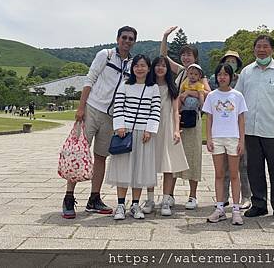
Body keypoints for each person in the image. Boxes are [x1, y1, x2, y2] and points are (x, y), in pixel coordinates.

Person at [61, 25, 136, 219]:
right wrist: (81, 107)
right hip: (93, 109)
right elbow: (90, 78)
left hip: (111, 116)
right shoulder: (106, 55)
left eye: (130, 39)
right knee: (79, 152)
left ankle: (94, 198)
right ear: (117, 38)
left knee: (101, 156)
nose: (127, 41)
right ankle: (69, 197)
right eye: (124, 37)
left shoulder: (132, 64)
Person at [235, 34, 274, 222]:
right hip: (250, 130)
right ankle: (259, 204)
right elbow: (236, 99)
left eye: (265, 46)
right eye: (258, 47)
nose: (261, 50)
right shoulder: (247, 72)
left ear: (272, 50)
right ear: (254, 50)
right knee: (254, 169)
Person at [161, 26, 210, 210]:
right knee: (174, 156)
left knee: (193, 156)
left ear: (195, 57)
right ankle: (170, 195)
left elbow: (208, 93)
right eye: (184, 55)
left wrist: (190, 92)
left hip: (193, 120)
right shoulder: (182, 71)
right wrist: (165, 37)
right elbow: (164, 58)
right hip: (177, 120)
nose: (186, 58)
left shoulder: (199, 74)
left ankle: (192, 196)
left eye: (189, 55)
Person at [106, 54, 161, 220]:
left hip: (143, 133)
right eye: (136, 65)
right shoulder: (125, 85)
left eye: (143, 65)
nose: (140, 68)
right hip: (126, 132)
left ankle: (135, 204)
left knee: (140, 169)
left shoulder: (153, 88)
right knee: (123, 168)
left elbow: (155, 110)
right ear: (132, 67)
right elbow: (119, 107)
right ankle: (121, 204)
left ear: (148, 68)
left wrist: (149, 130)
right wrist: (120, 126)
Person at [140, 56, 188, 217]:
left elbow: (175, 111)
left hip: (167, 127)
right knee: (150, 164)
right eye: (158, 65)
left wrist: (176, 130)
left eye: (164, 66)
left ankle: (166, 199)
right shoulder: (147, 86)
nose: (160, 68)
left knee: (168, 165)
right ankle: (150, 199)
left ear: (168, 69)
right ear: (152, 68)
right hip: (151, 128)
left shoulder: (171, 87)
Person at [204, 63, 247, 225]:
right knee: (219, 174)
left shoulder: (237, 96)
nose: (222, 77)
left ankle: (236, 209)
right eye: (219, 74)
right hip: (217, 138)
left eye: (225, 74)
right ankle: (220, 208)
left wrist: (242, 140)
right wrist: (208, 138)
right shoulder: (212, 96)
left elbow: (241, 119)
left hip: (233, 138)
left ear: (231, 77)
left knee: (234, 174)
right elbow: (209, 118)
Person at [210, 51, 251, 210]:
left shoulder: (243, 79)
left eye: (234, 61)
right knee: (223, 169)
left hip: (236, 130)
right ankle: (224, 198)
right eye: (228, 61)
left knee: (242, 167)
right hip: (221, 132)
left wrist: (242, 137)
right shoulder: (218, 84)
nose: (231, 63)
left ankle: (245, 196)